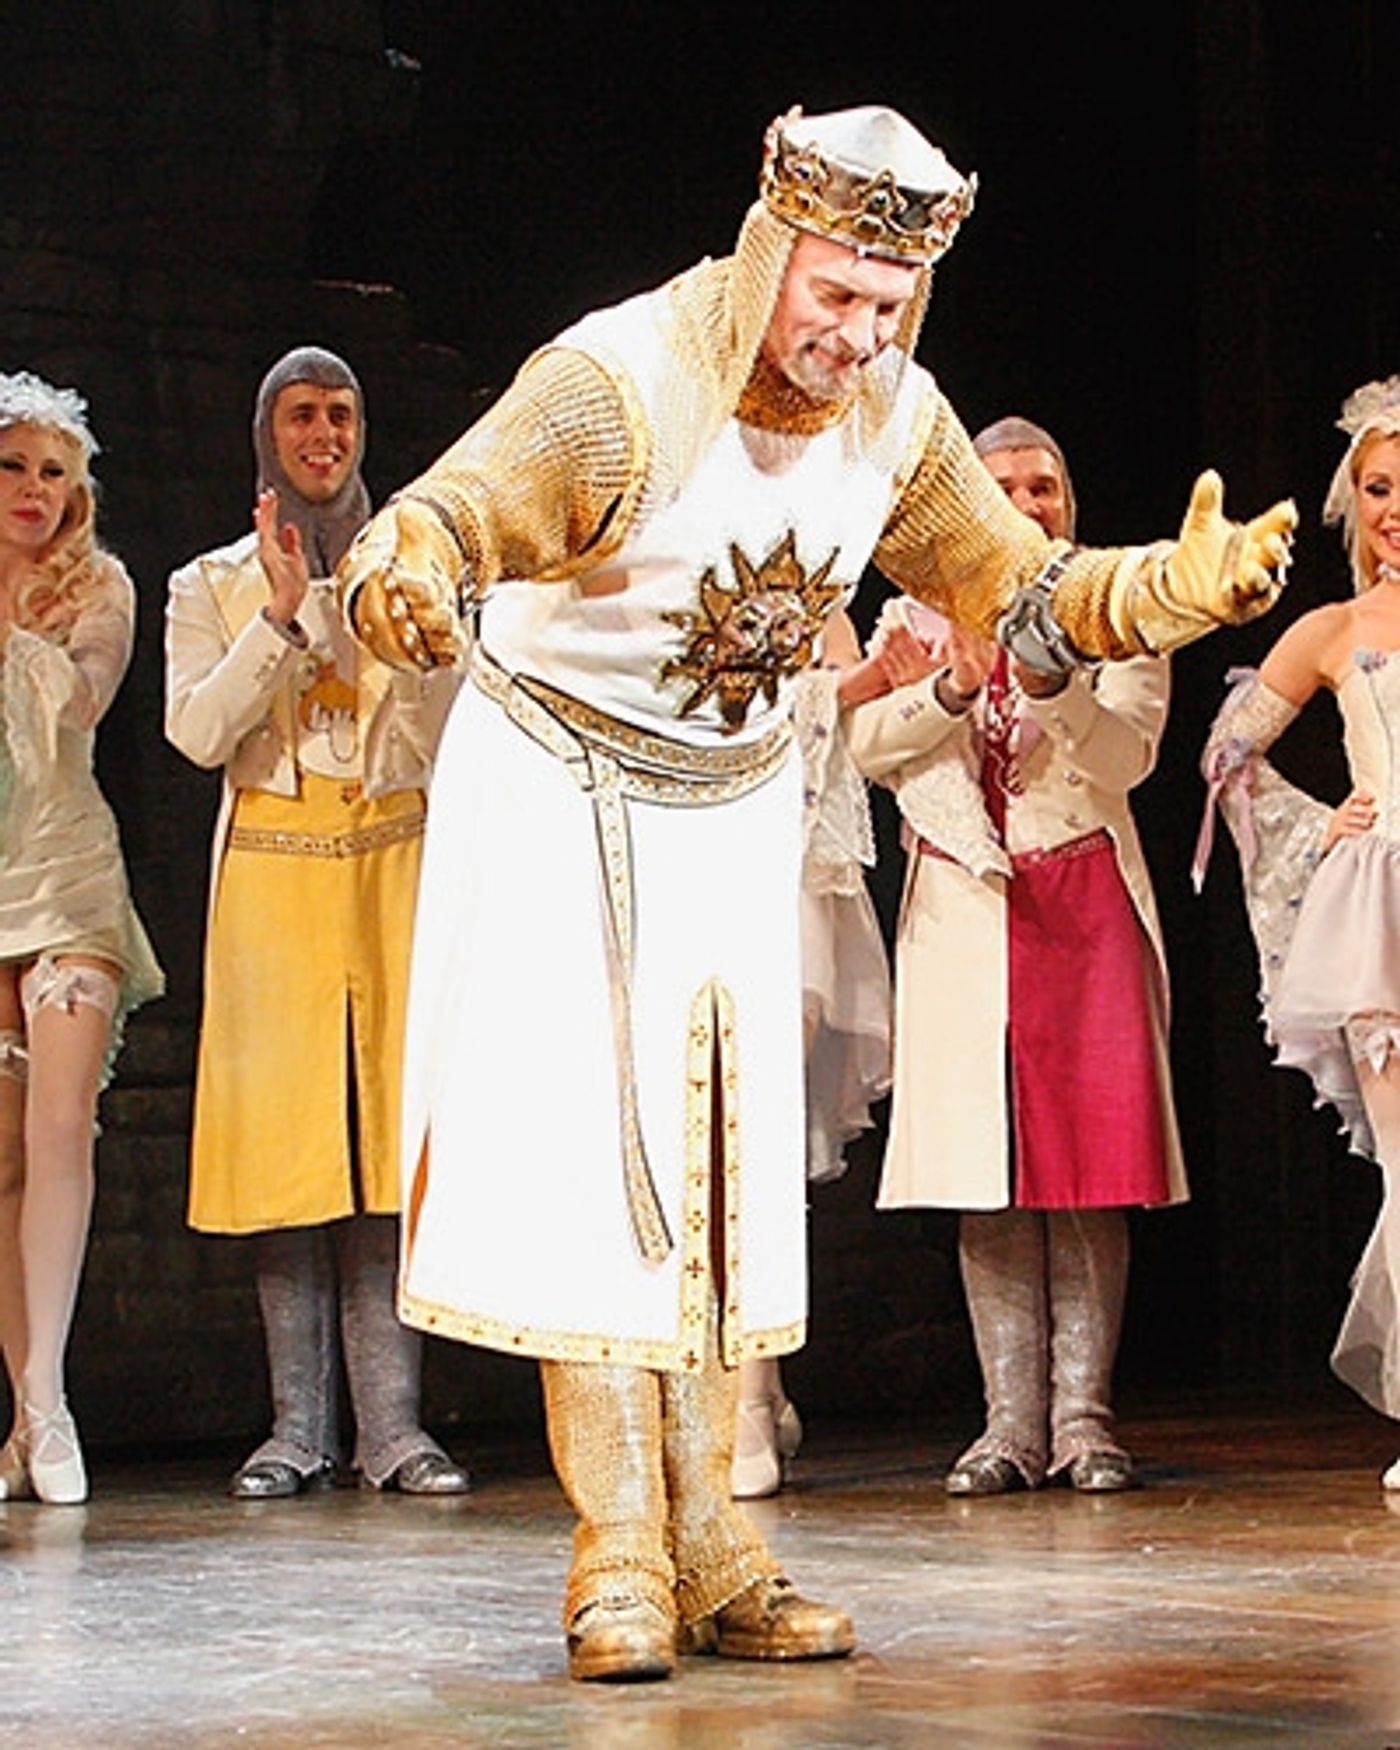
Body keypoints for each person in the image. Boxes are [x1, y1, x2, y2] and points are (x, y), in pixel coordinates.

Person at [336, 104, 1294, 1682]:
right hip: (563, 789)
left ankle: (716, 1543)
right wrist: (408, 567)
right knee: (606, 1174)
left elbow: (1020, 587)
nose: (859, 331)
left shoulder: (897, 419)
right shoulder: (621, 382)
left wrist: (1165, 590)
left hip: (730, 799)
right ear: (772, 251)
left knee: (722, 1171)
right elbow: (452, 509)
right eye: (837, 292)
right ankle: (617, 1552)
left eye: (889, 303)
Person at [845, 417, 1186, 1496]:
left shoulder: (1114, 611)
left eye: (1043, 486)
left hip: (1081, 899)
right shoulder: (912, 612)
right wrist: (950, 688)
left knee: (1088, 1173)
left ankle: (1083, 1421)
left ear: (1067, 502)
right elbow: (864, 746)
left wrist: (1047, 684)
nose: (1026, 503)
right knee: (979, 1172)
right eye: (1002, 486)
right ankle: (1006, 1427)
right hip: (963, 904)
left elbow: (1126, 757)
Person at [165, 347, 467, 1500]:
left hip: (390, 864)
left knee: (385, 1153)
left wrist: (416, 635)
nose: (322, 434)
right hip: (274, 879)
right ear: (267, 434)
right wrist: (281, 620)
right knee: (284, 1160)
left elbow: (446, 737)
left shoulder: (408, 576)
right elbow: (198, 733)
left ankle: (392, 1428)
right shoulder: (209, 585)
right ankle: (296, 1427)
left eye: (339, 413)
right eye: (300, 414)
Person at [1201, 376, 1400, 1493]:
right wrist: (1319, 824)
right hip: (1378, 915)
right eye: (1378, 488)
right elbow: (1227, 751)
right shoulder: (1332, 631)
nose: (1393, 509)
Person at [0, 372, 164, 1505]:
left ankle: (51, 1402)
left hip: (68, 876)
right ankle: (18, 1415)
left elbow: (83, 702)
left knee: (60, 1130)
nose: (34, 489)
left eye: (54, 472)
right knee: (3, 1162)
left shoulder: (97, 584)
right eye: (14, 466)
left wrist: (27, 637)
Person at [730, 607, 892, 1499]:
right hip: (667, 863)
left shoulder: (806, 584)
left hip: (785, 867)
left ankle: (749, 1394)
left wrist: (860, 682)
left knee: (752, 1137)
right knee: (687, 1142)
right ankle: (727, 1382)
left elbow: (848, 693)